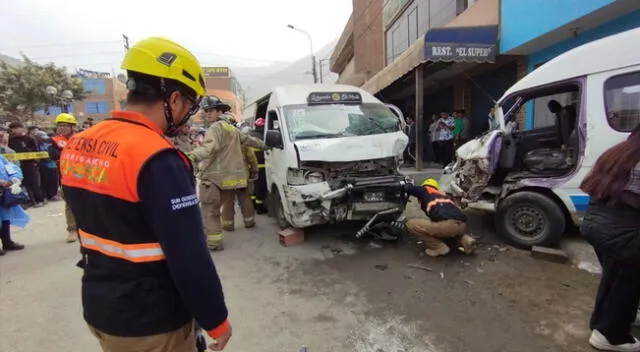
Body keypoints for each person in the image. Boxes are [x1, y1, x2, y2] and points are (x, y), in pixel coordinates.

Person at [60, 36, 232, 352]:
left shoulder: (77, 144)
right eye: (190, 106)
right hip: (151, 318)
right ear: (175, 100)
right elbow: (189, 256)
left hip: (101, 304)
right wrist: (216, 318)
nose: (188, 115)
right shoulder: (158, 159)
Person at [579, 125, 640, 351]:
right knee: (625, 284)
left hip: (595, 225)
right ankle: (610, 335)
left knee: (615, 280)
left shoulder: (617, 152)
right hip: (623, 233)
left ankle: (604, 323)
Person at [188, 96, 267, 251]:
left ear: (220, 111)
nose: (208, 114)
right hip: (233, 177)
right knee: (238, 201)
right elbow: (249, 141)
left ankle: (214, 243)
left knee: (211, 211)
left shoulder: (215, 128)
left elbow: (208, 148)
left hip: (213, 178)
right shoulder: (231, 128)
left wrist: (189, 156)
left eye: (211, 111)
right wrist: (265, 145)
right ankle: (246, 222)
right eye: (206, 111)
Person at [396, 178, 475, 257]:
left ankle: (439, 248)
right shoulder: (443, 195)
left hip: (448, 225)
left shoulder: (425, 189)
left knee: (410, 224)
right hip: (462, 225)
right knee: (448, 227)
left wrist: (407, 182)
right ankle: (466, 240)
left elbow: (408, 188)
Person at [51, 113, 79, 243]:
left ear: (73, 127)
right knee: (70, 204)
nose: (62, 128)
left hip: (84, 176)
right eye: (60, 125)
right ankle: (72, 230)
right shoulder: (54, 141)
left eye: (65, 125)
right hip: (66, 177)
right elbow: (51, 155)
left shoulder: (81, 138)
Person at [8, 122, 45, 207]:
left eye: (16, 128)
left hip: (30, 163)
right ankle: (30, 200)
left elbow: (36, 151)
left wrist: (35, 162)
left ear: (21, 128)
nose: (14, 131)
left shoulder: (30, 139)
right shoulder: (11, 139)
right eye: (12, 129)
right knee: (24, 183)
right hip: (18, 164)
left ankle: (40, 200)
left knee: (34, 182)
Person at [0, 154, 28, 256]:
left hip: (4, 192)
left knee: (5, 217)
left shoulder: (1, 158)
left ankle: (7, 242)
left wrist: (14, 179)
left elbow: (11, 168)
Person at [34, 131, 60, 201]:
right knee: (44, 182)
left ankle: (53, 195)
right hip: (43, 166)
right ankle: (44, 196)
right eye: (42, 138)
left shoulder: (49, 144)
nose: (44, 140)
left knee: (54, 181)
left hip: (53, 165)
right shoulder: (37, 146)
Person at [250, 117, 268, 214]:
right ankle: (260, 208)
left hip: (251, 166)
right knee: (261, 187)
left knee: (254, 186)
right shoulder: (262, 136)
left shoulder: (250, 135)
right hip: (261, 165)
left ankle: (253, 205)